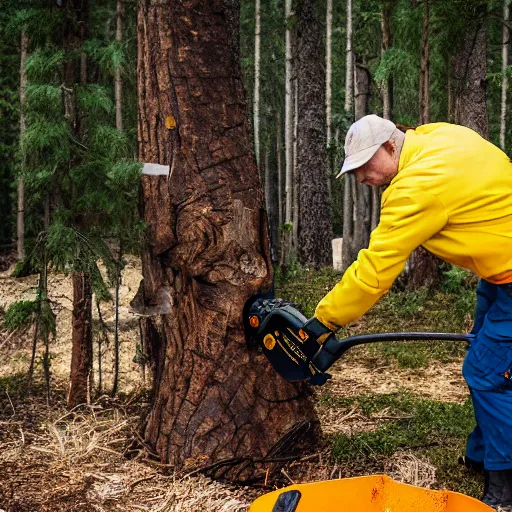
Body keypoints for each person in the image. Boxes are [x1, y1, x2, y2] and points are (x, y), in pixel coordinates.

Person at [304, 114, 512, 509]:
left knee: (487, 375)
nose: (363, 178)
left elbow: (373, 274)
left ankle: (505, 485)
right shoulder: (441, 135)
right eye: (355, 170)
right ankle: (484, 455)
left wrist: (323, 322)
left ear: (389, 146)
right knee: (491, 362)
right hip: (499, 270)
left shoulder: (414, 188)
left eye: (366, 165)